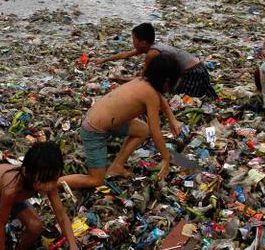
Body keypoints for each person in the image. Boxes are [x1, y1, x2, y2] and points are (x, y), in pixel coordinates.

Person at [62, 54, 181, 189]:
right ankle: (52, 184)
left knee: (142, 130)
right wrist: (166, 158)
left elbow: (162, 100)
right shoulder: (150, 95)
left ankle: (116, 166)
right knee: (95, 180)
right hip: (94, 131)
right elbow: (155, 131)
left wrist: (172, 119)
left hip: (101, 121)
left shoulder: (142, 81)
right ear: (166, 81)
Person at [94, 22, 217, 100]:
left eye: (134, 39)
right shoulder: (151, 46)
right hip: (197, 67)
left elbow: (143, 79)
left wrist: (119, 79)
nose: (133, 42)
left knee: (189, 99)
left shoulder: (152, 53)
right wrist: (103, 59)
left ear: (142, 42)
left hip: (193, 73)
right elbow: (126, 54)